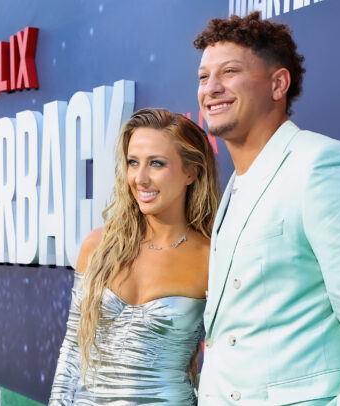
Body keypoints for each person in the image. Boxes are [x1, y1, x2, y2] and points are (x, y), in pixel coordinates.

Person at [194, 12, 340, 405]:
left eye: (229, 72)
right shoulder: (231, 187)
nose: (211, 88)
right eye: (203, 77)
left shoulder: (322, 167)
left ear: (278, 83)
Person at [49, 108, 220, 405]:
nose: (140, 178)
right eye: (132, 163)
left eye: (156, 163)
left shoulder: (211, 257)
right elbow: (73, 350)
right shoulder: (98, 246)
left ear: (191, 172)